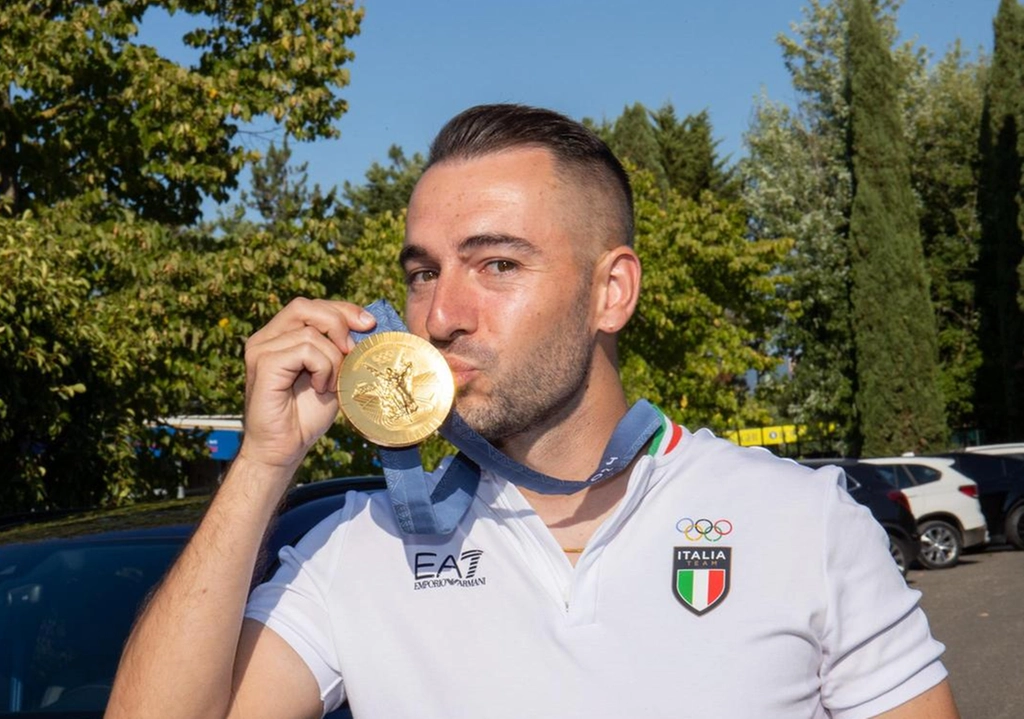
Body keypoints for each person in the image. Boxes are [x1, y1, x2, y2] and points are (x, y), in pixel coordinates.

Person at [107, 104, 958, 718]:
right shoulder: (361, 551)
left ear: (610, 291)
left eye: (499, 264)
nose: (441, 314)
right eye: (424, 270)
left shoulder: (801, 522)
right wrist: (262, 464)